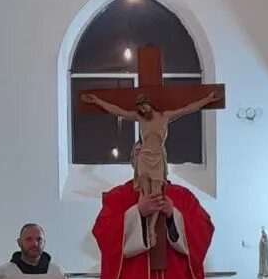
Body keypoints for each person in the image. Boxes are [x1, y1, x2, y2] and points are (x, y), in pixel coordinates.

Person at [80, 88, 220, 246]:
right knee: (145, 195)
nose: (142, 110)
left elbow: (188, 109)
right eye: (139, 107)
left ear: (149, 103)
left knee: (156, 196)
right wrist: (97, 101)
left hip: (158, 158)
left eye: (143, 106)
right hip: (144, 158)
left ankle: (151, 230)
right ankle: (146, 230)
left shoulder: (165, 116)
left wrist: (208, 99)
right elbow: (118, 111)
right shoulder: (140, 118)